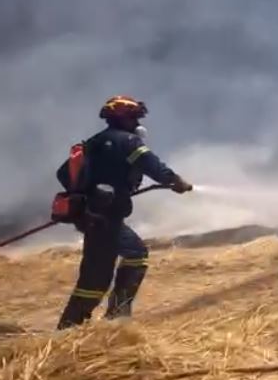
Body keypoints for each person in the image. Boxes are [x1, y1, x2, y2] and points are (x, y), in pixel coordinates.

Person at [55, 96, 193, 329]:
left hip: (93, 214)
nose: (138, 122)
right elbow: (153, 166)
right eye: (135, 117)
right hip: (103, 218)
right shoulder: (128, 141)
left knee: (131, 255)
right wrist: (176, 181)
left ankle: (111, 316)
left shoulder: (94, 142)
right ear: (125, 119)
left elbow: (62, 173)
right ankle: (72, 329)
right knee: (97, 278)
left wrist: (86, 193)